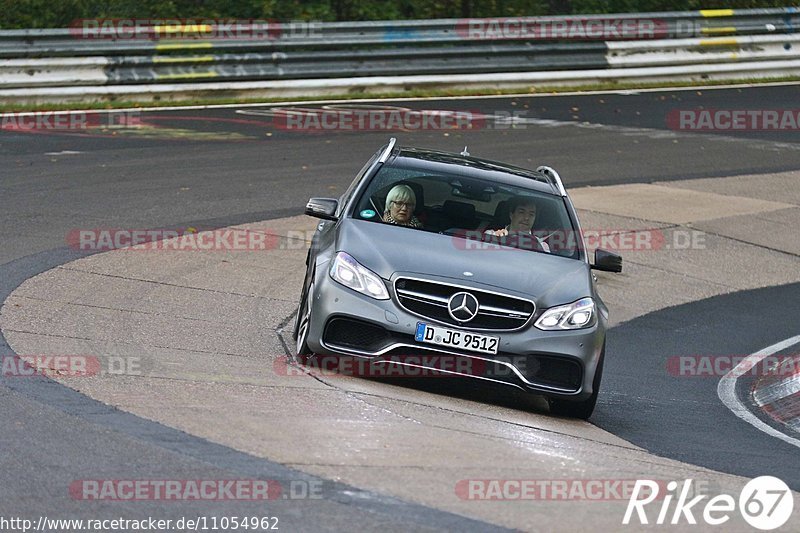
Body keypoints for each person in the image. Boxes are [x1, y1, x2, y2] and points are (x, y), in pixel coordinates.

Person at [485, 196, 550, 252]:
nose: (526, 218)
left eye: (531, 214)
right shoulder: (491, 235)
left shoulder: (541, 246)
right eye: (521, 212)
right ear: (511, 215)